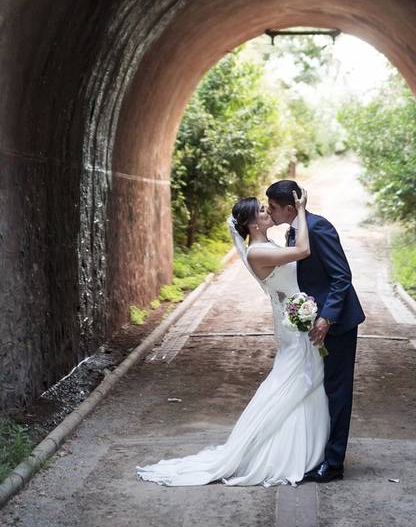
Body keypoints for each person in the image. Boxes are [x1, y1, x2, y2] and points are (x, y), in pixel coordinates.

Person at [136, 189, 330, 486]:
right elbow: (303, 250)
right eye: (262, 212)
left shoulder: (267, 244)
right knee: (295, 381)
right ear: (253, 225)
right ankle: (285, 454)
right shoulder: (258, 251)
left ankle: (305, 450)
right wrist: (301, 211)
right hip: (294, 327)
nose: (267, 212)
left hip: (294, 321)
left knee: (302, 381)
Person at [266, 179, 365, 484]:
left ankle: (334, 464)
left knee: (337, 392)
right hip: (314, 323)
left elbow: (341, 277)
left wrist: (326, 319)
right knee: (319, 390)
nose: (268, 213)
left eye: (272, 208)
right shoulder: (295, 231)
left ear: (288, 207)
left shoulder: (318, 228)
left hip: (337, 325)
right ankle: (319, 453)